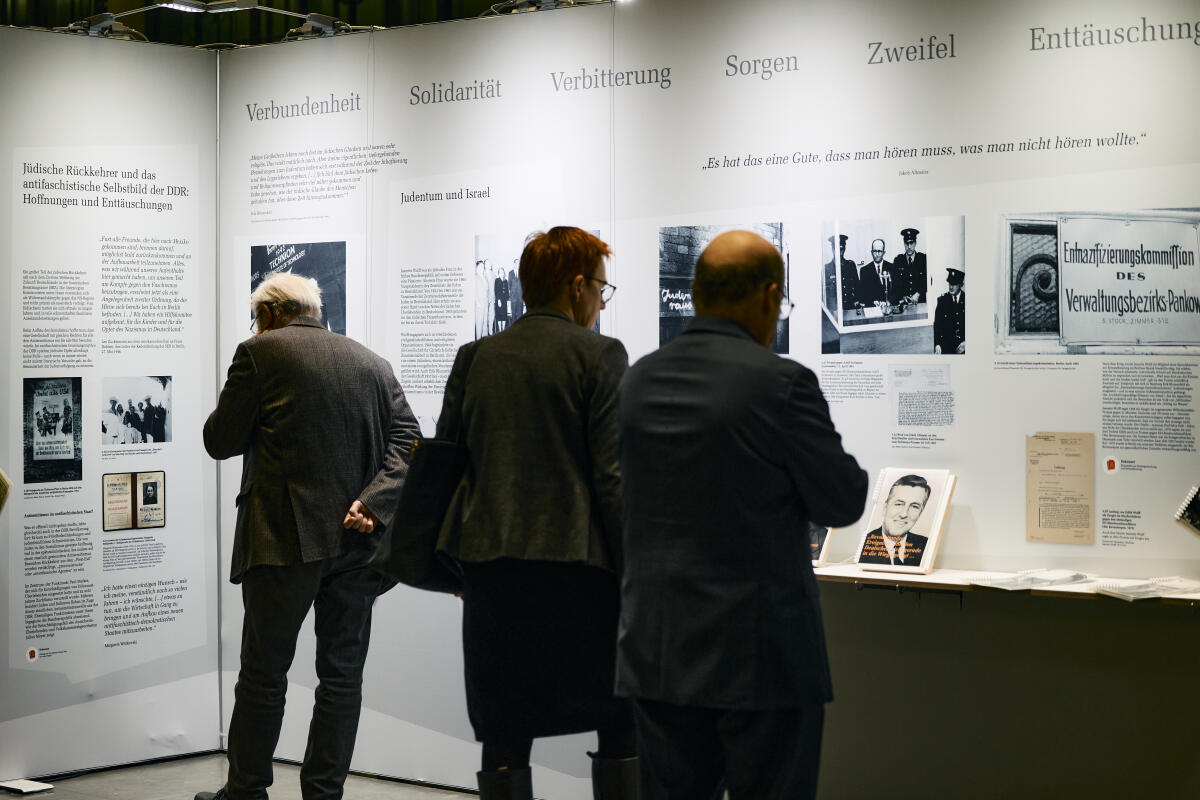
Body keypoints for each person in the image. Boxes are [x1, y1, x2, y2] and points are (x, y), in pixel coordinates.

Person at [617, 230, 868, 800]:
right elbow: (842, 500)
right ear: (767, 296)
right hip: (762, 656)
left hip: (659, 650)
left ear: (699, 293)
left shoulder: (638, 381)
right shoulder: (782, 383)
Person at [196, 273, 420, 800]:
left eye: (256, 318)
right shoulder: (372, 361)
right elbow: (410, 439)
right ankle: (324, 794)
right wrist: (374, 500)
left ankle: (247, 791)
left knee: (264, 675)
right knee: (340, 678)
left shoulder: (259, 353)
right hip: (357, 544)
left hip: (283, 542)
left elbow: (219, 440)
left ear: (270, 313)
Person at [436, 226, 636, 800]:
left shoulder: (476, 357)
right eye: (602, 286)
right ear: (576, 286)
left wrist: (455, 562)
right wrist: (637, 574)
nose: (602, 300)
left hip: (493, 571)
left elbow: (446, 465)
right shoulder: (599, 355)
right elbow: (612, 476)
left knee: (504, 728)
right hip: (584, 574)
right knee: (618, 720)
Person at [857, 474, 932, 567]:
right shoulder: (863, 545)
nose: (904, 514)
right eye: (899, 504)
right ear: (885, 507)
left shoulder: (927, 546)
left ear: (920, 512)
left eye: (914, 506)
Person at [933, 267, 966, 354]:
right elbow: (937, 325)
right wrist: (937, 344)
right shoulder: (942, 301)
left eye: (954, 284)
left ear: (961, 284)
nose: (951, 287)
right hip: (946, 346)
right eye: (950, 283)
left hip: (964, 347)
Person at [895, 227, 928, 303]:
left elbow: (928, 280)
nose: (909, 247)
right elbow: (895, 283)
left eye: (911, 243)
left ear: (915, 243)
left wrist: (918, 293)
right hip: (904, 303)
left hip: (920, 302)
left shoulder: (923, 259)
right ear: (904, 243)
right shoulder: (898, 260)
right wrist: (902, 296)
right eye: (907, 243)